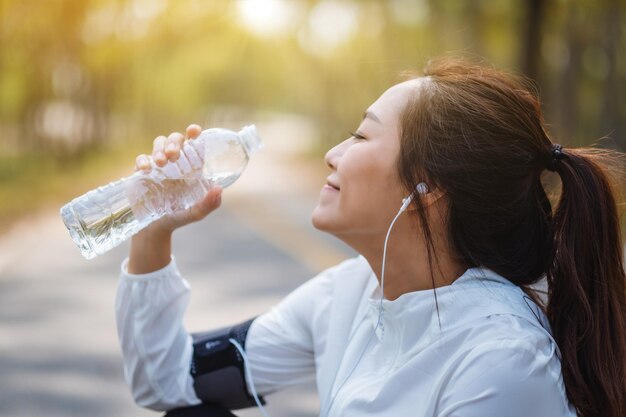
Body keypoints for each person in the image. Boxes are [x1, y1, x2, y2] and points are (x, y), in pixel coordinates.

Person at [116, 58, 626, 417]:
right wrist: (154, 227)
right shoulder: (351, 293)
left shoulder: (501, 360)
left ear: (429, 187)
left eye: (361, 135)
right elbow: (171, 381)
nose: (333, 154)